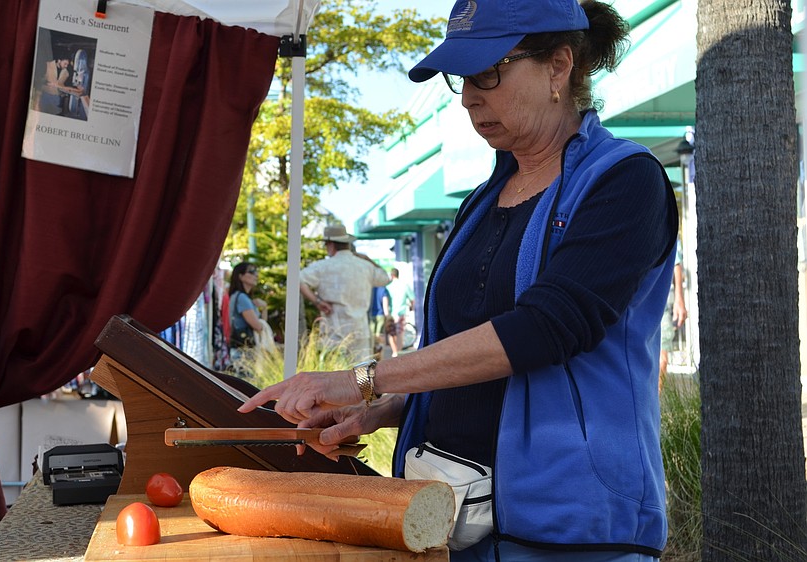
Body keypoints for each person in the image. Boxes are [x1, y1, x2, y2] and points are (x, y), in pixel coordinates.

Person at [241, 1, 677, 560]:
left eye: (488, 72)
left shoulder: (624, 180)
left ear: (559, 66)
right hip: (450, 519)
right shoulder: (482, 199)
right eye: (462, 79)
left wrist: (363, 379)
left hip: (569, 531)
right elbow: (466, 358)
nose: (471, 96)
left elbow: (545, 329)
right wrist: (383, 410)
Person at [299, 223, 390, 361]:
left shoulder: (322, 267)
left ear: (331, 245)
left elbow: (298, 280)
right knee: (361, 375)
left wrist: (317, 301)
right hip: (360, 330)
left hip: (333, 330)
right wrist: (368, 259)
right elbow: (385, 278)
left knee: (335, 375)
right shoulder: (364, 266)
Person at [660, 239, 687, 386]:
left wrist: (679, 299)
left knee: (662, 358)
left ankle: (657, 401)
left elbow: (676, 263)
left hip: (660, 304)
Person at [227, 262, 268, 359]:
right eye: (251, 272)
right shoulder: (242, 298)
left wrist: (264, 307)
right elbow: (259, 327)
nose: (256, 275)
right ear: (240, 276)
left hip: (240, 350)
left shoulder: (239, 297)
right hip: (244, 353)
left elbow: (262, 325)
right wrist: (264, 308)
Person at [385, 268, 414, 357]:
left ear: (392, 275)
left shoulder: (388, 287)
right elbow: (412, 299)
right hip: (401, 313)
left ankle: (394, 352)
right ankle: (398, 352)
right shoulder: (405, 285)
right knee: (400, 333)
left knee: (391, 333)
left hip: (391, 314)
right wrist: (411, 307)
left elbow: (384, 300)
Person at [369, 285, 392, 357]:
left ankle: (373, 355)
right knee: (380, 337)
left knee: (372, 337)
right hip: (380, 315)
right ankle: (380, 357)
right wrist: (387, 316)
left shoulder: (369, 287)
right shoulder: (383, 289)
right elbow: (385, 302)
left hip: (370, 315)